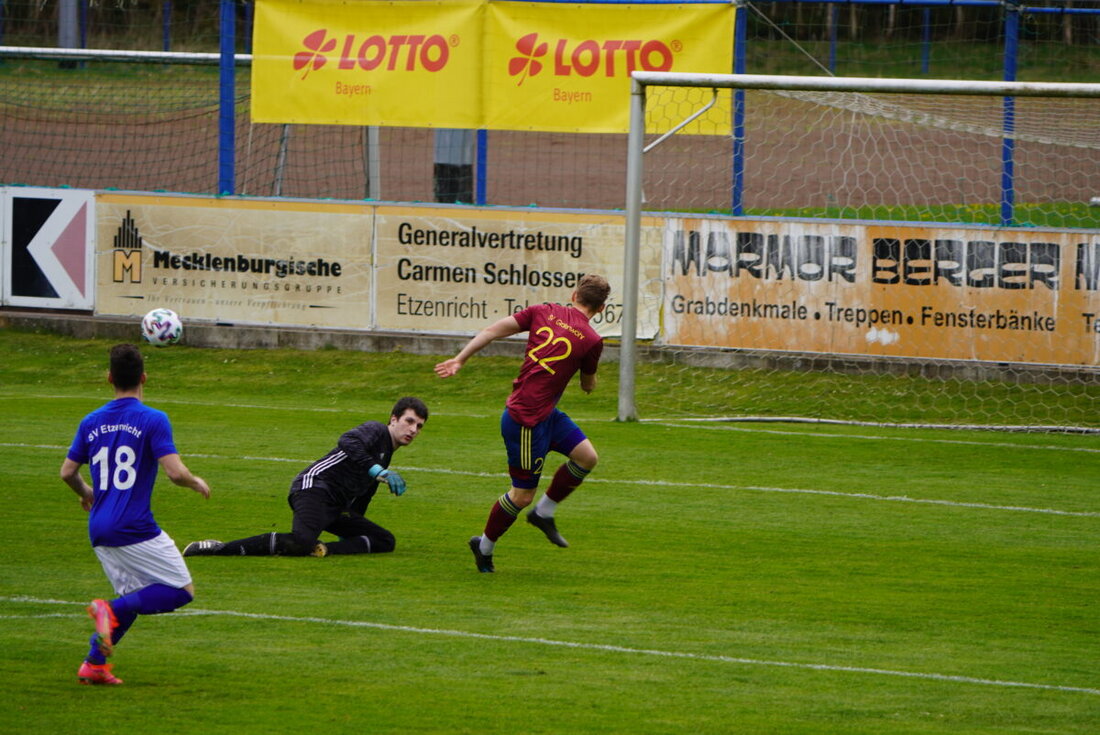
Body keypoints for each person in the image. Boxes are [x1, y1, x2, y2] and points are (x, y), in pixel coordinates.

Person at [434, 274, 611, 573]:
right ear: (602, 308)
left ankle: (544, 513)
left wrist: (460, 359)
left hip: (545, 414)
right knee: (521, 495)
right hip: (526, 420)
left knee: (587, 457)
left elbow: (491, 330)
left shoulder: (544, 311)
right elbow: (587, 385)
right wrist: (590, 380)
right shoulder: (592, 341)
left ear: (573, 295)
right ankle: (484, 546)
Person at [61, 343, 211, 686]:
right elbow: (174, 472)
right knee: (180, 590)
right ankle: (107, 611)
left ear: (109, 378)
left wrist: (87, 494)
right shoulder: (152, 419)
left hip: (99, 527)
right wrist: (194, 481)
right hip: (134, 526)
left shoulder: (91, 421)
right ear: (144, 377)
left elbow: (67, 472)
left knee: (132, 597)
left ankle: (94, 664)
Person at [182, 397, 428, 558]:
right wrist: (377, 471)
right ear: (393, 419)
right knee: (300, 542)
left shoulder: (386, 456)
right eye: (409, 422)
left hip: (336, 506)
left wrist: (352, 528)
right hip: (314, 488)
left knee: (385, 540)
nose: (413, 430)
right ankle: (218, 548)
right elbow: (347, 441)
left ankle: (323, 550)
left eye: (419, 426)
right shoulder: (375, 430)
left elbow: (363, 496)